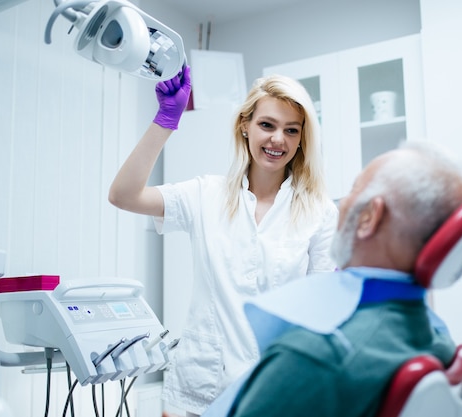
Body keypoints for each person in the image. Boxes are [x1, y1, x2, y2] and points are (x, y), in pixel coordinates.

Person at [108, 66, 338, 416]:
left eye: (291, 131)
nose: (279, 139)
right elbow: (123, 195)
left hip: (277, 389)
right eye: (267, 125)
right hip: (201, 387)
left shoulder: (318, 212)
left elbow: (321, 311)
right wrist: (165, 121)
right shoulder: (206, 195)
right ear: (245, 126)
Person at [199, 140, 462, 417]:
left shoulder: (316, 354)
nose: (341, 205)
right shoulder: (437, 337)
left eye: (355, 190)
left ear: (369, 217)